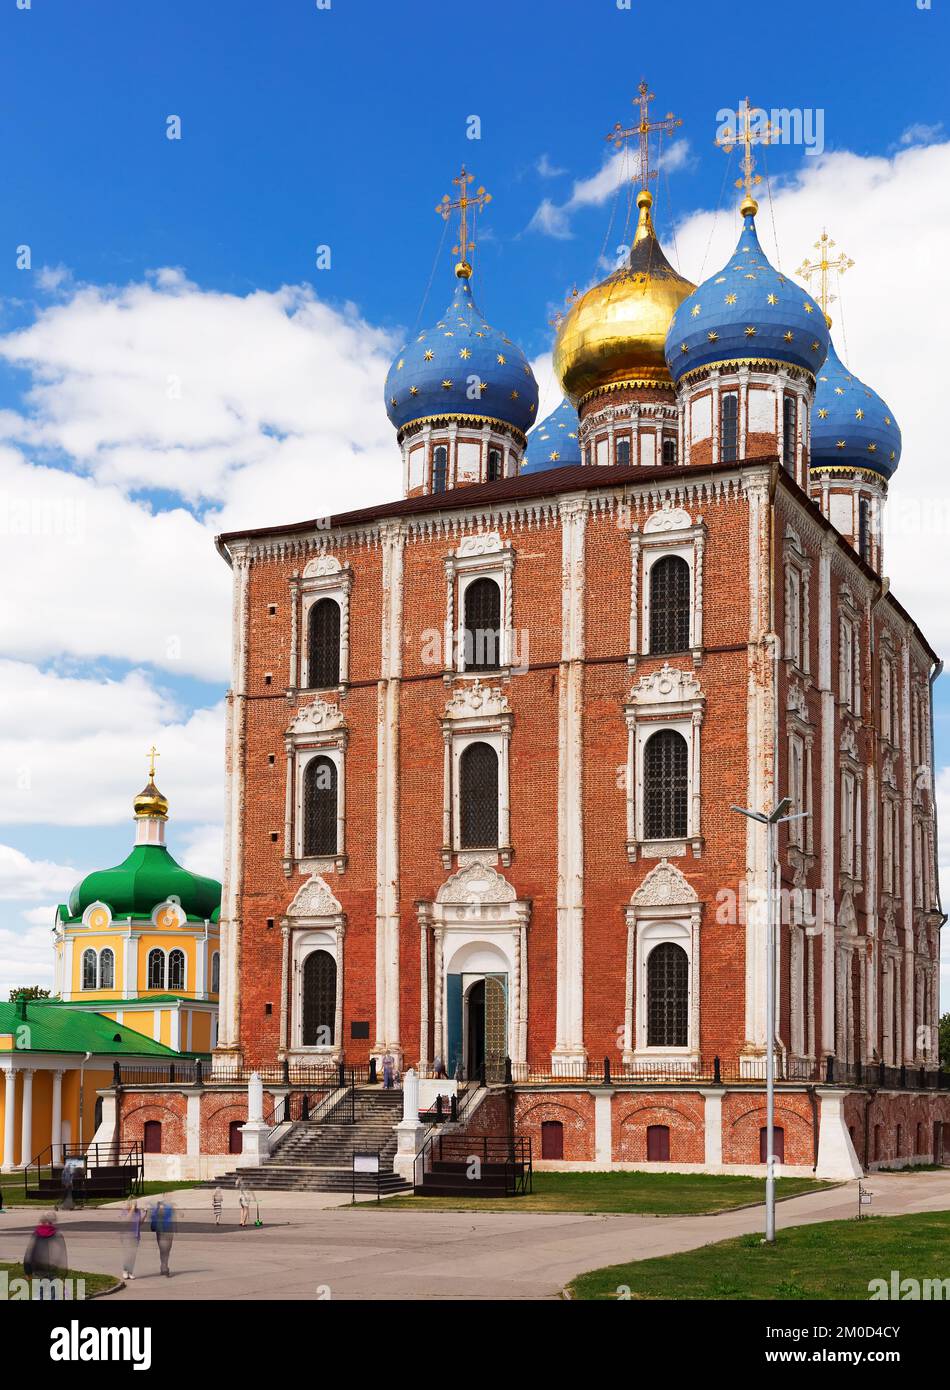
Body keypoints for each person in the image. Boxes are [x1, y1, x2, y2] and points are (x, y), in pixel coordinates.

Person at [24, 1214, 68, 1298]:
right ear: (52, 1222)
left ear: (41, 1221)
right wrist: (63, 1274)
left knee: (38, 1292)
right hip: (53, 1268)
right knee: (53, 1293)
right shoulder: (57, 1234)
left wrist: (28, 1271)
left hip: (38, 1268)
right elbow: (62, 1254)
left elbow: (29, 1253)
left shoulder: (36, 1234)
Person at [149, 1199, 175, 1277]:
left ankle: (164, 1265)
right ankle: (164, 1267)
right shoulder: (156, 1211)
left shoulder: (169, 1209)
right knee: (163, 1250)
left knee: (167, 1250)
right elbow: (153, 1222)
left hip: (169, 1231)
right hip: (160, 1232)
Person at [121, 1198, 143, 1280]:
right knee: (128, 1255)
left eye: (136, 1203)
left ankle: (130, 1272)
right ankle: (125, 1271)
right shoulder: (125, 1211)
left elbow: (140, 1223)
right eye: (134, 1203)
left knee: (133, 1255)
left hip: (136, 1236)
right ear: (129, 1204)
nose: (136, 1204)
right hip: (127, 1236)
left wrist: (145, 1214)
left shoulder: (138, 1211)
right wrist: (132, 1209)